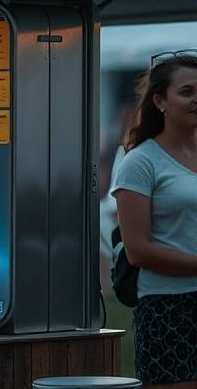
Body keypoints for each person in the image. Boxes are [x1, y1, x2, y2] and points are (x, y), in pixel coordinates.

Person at [112, 51, 197, 387]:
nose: (196, 100)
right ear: (160, 100)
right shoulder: (141, 162)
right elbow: (138, 250)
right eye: (187, 92)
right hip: (168, 307)